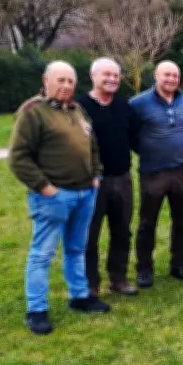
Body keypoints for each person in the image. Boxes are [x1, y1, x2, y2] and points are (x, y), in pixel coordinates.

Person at [8, 61, 109, 335]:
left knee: (76, 249)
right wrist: (45, 187)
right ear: (46, 80)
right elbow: (18, 158)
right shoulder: (33, 112)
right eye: (60, 80)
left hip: (85, 192)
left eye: (70, 81)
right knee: (42, 253)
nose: (66, 86)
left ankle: (79, 296)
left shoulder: (77, 110)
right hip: (53, 197)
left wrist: (96, 175)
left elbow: (93, 146)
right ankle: (36, 309)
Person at [75, 57, 138, 297]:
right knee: (89, 234)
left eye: (116, 75)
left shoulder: (125, 107)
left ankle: (118, 279)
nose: (112, 79)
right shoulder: (79, 107)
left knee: (122, 231)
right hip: (91, 181)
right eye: (107, 75)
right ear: (93, 76)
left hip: (122, 178)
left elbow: (136, 140)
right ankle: (91, 284)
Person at [130, 61, 183, 287]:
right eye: (166, 74)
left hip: (179, 170)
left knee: (182, 220)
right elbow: (129, 135)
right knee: (148, 222)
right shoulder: (138, 103)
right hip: (152, 172)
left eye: (175, 75)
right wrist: (148, 151)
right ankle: (144, 269)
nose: (171, 79)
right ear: (156, 75)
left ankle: (179, 264)